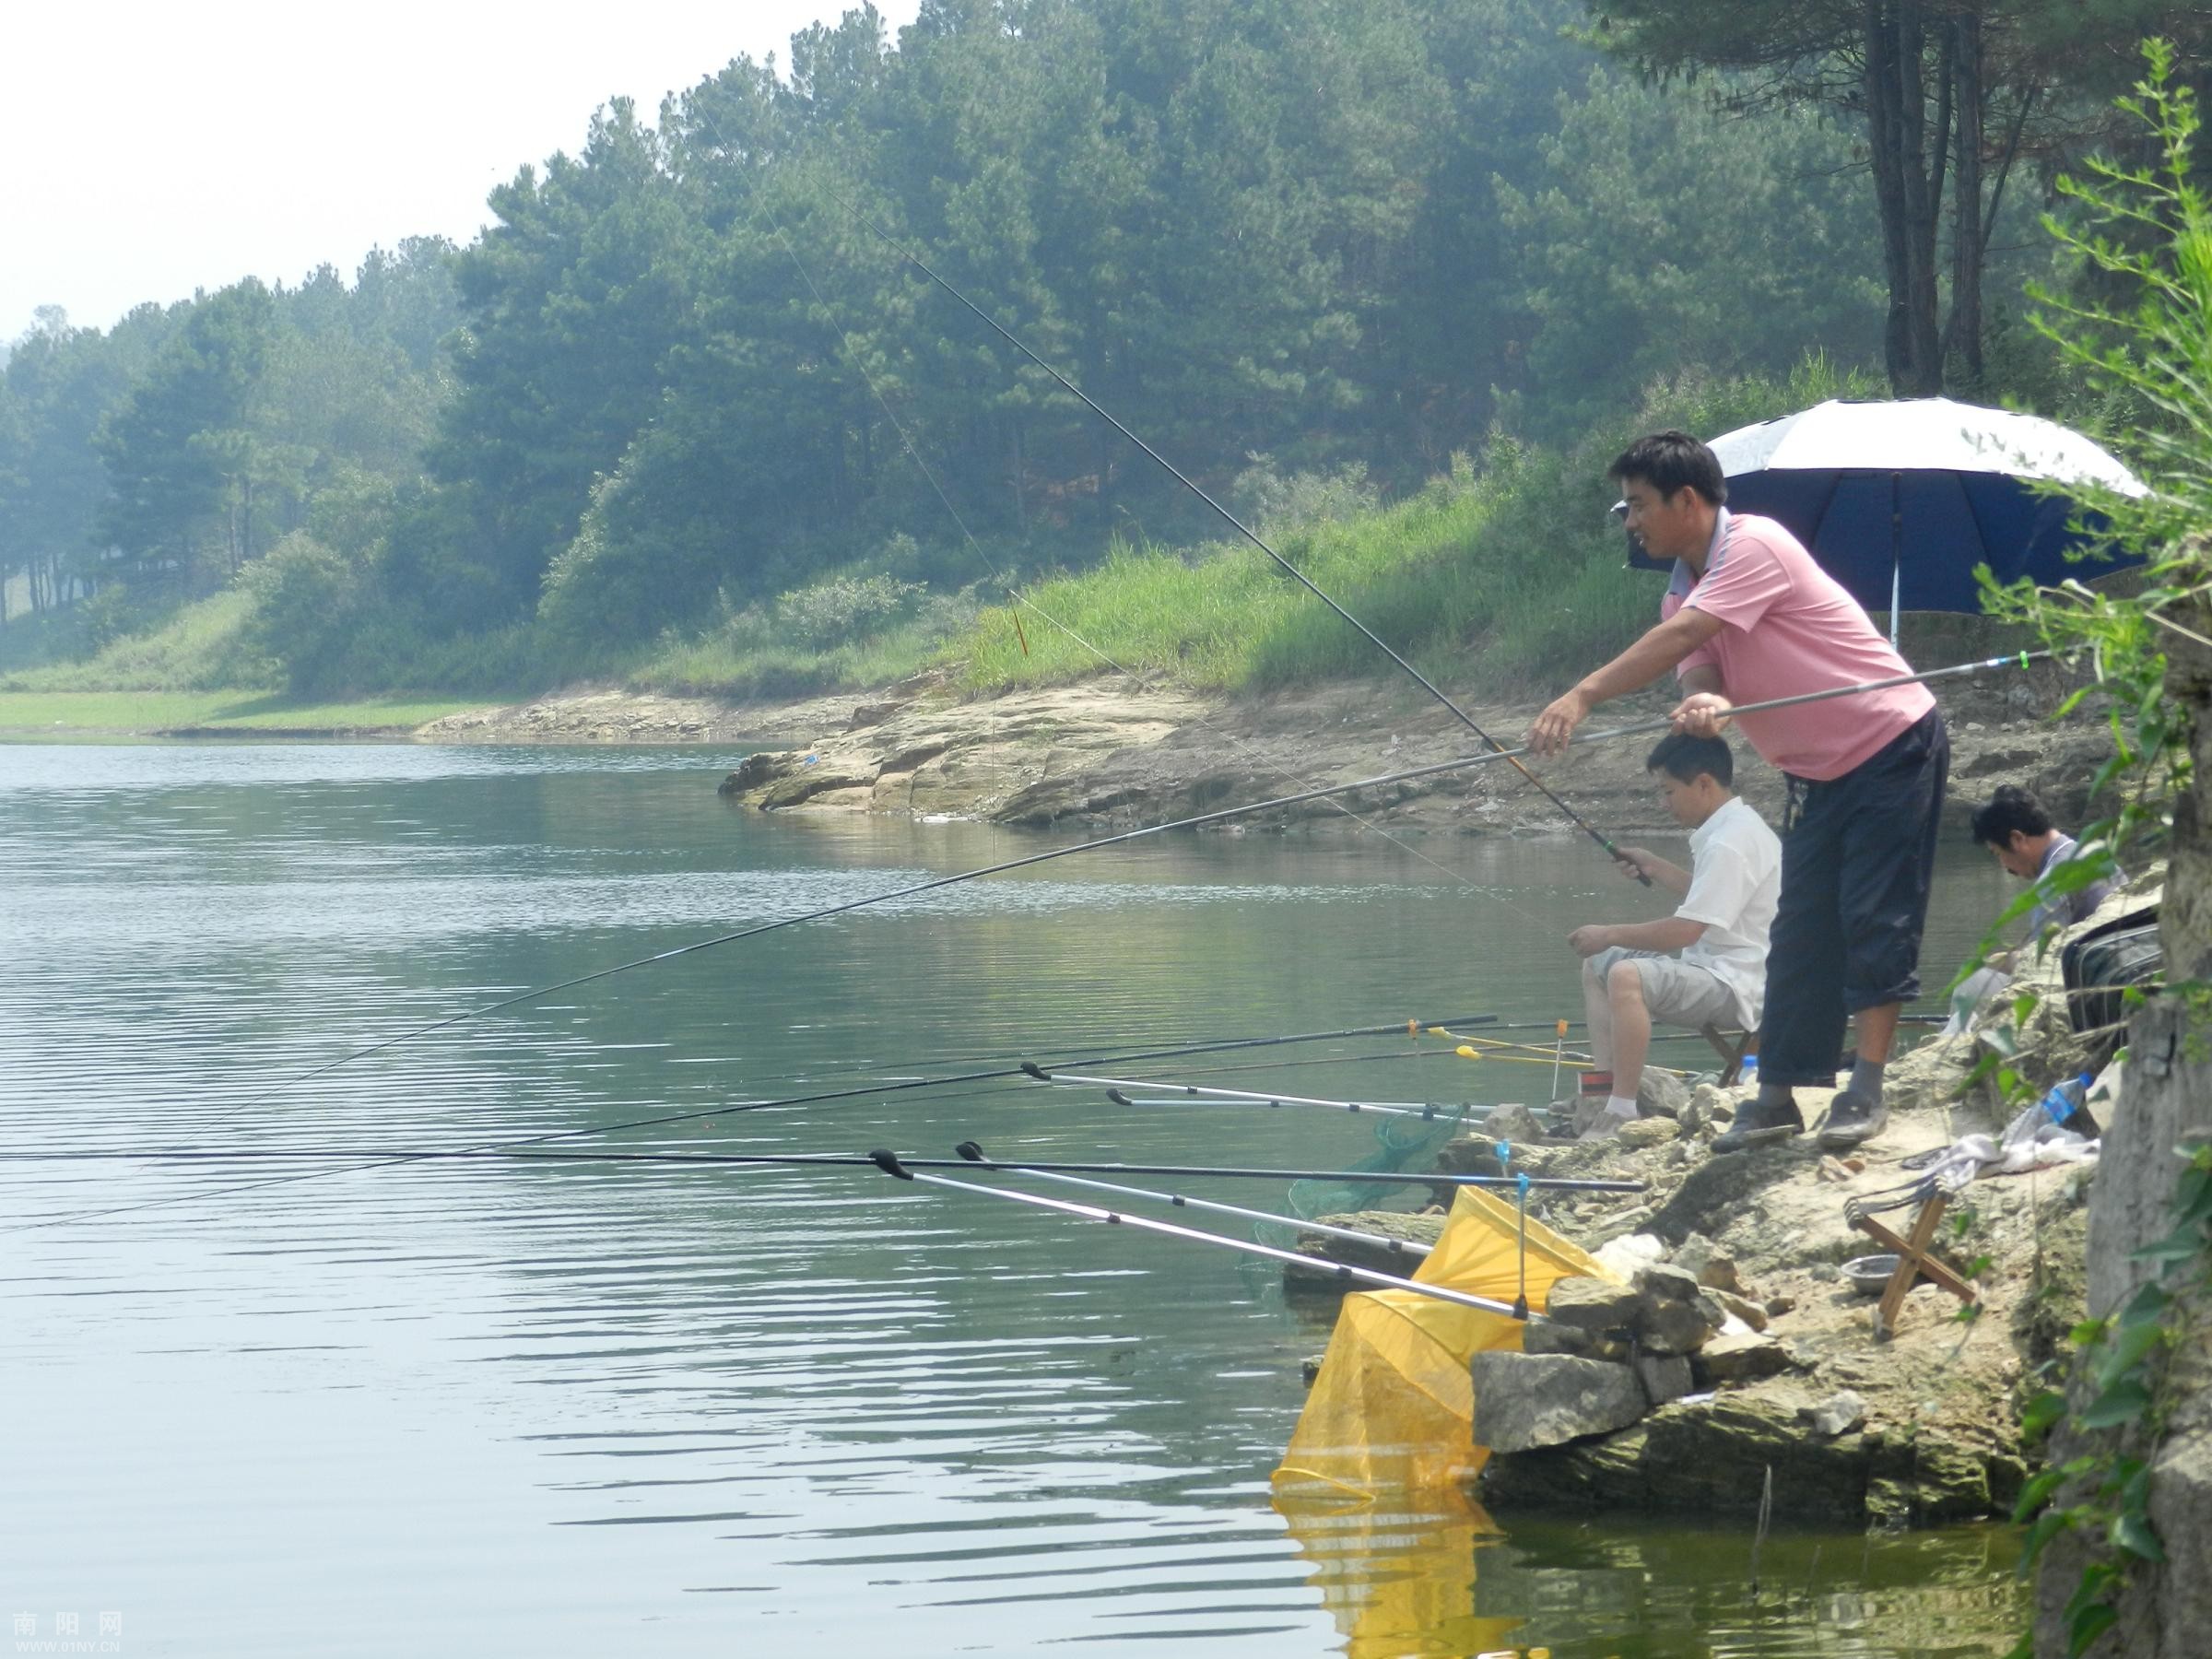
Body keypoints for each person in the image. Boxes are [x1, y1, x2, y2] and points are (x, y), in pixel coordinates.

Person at [1527, 430, 1949, 1154]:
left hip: (1890, 745)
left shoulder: (1755, 546)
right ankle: (1781, 1092)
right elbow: (1697, 661)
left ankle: (1868, 1087)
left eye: (1638, 505)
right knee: (1800, 933)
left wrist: (1582, 695)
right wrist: (1707, 701)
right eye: (1625, 507)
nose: (1630, 521)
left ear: (1687, 500)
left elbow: (1692, 630)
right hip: (1816, 773)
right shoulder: (1679, 591)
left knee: (1874, 917)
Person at [1569, 733, 1781, 1140]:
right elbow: (1712, 901)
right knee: (1597, 964)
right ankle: (1603, 1090)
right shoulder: (1735, 829)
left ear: (1703, 783)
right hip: (1716, 967)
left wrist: (1609, 932)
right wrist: (1654, 865)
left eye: (1668, 791)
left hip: (1739, 985)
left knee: (1626, 974)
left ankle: (1621, 1111)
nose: (1664, 803)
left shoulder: (1730, 842)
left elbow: (1685, 929)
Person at [1946, 786, 2123, 1030]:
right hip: (2114, 977)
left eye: (1997, 853)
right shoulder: (2096, 854)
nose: (2003, 865)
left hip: (2084, 996)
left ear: (2017, 839)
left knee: (1972, 983)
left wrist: (2002, 961)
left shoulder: (2051, 882)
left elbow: (2040, 969)